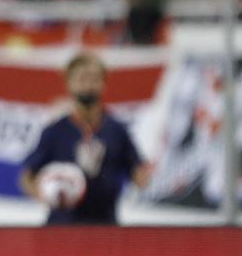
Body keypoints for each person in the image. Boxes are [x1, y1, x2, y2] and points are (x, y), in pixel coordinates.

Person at [18, 53, 152, 225]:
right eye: (81, 79)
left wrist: (144, 175)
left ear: (103, 84)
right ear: (69, 84)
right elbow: (27, 177)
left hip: (105, 227)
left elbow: (138, 172)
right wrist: (43, 193)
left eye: (94, 79)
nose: (88, 85)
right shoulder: (55, 131)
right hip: (61, 227)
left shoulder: (117, 130)